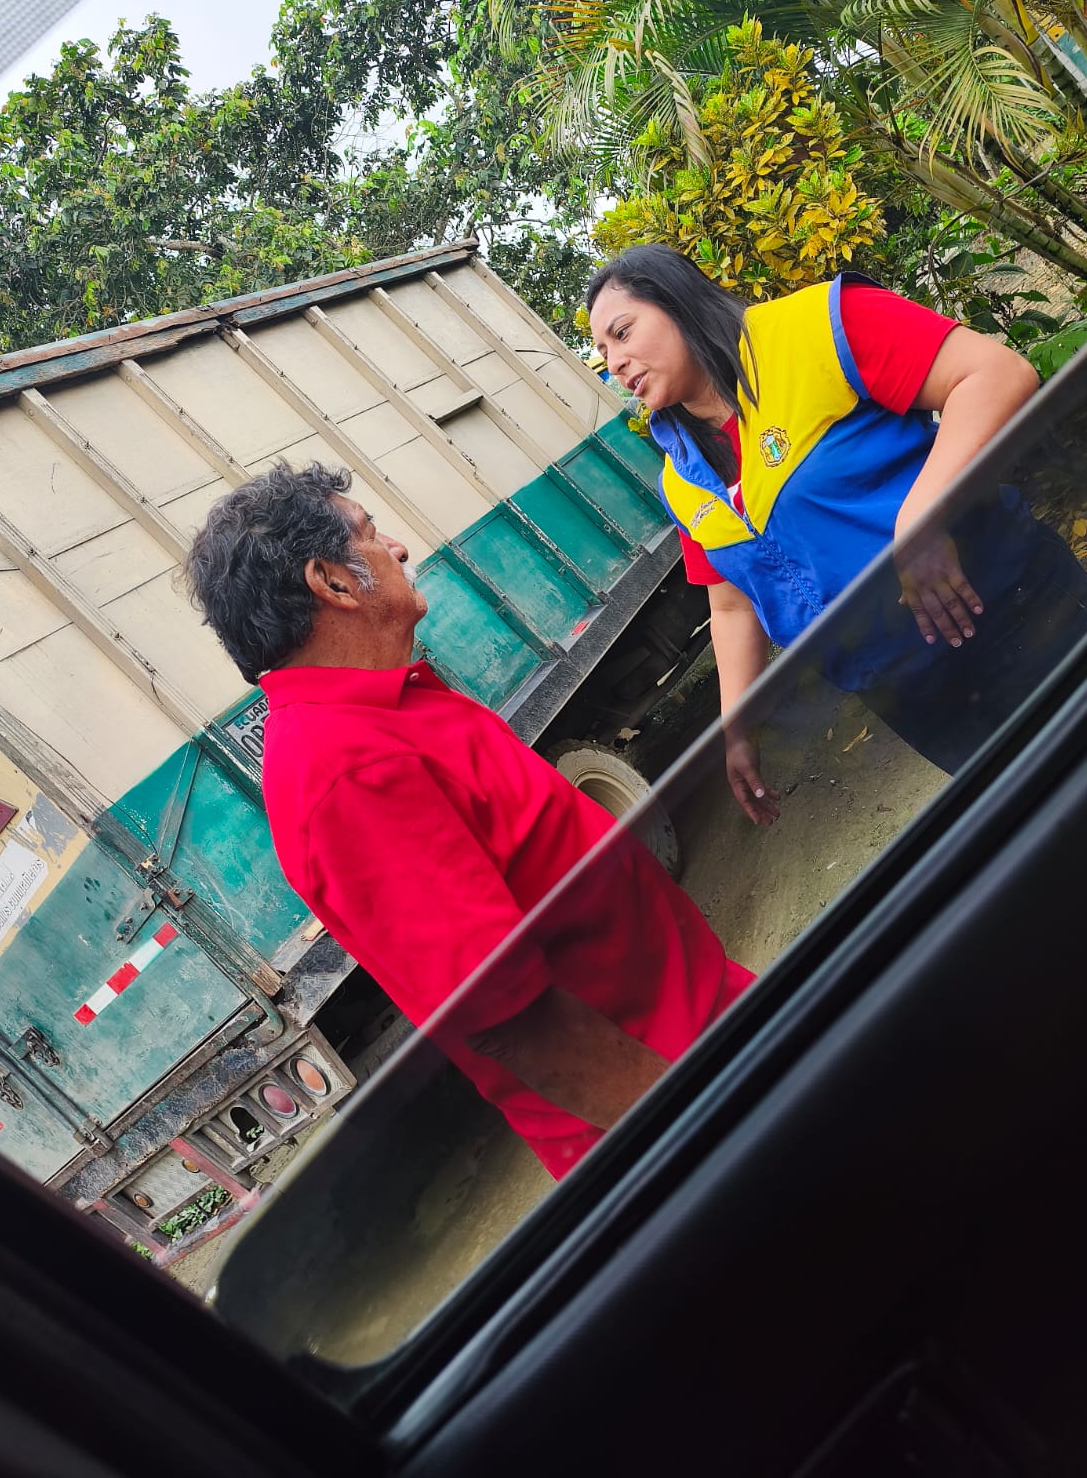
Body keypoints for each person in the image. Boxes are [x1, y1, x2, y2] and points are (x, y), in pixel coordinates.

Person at [183, 460, 752, 1179]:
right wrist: (704, 1125)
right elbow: (515, 1022)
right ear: (331, 583)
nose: (397, 548)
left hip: (705, 1026)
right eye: (370, 534)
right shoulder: (344, 771)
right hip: (680, 1101)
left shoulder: (385, 707)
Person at [587, 243, 1087, 823]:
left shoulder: (817, 327)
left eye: (622, 333)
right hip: (909, 693)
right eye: (603, 353)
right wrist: (737, 726)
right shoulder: (680, 480)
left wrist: (922, 517)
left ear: (677, 301)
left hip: (1012, 609)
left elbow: (996, 374)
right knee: (1044, 822)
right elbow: (730, 604)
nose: (614, 362)